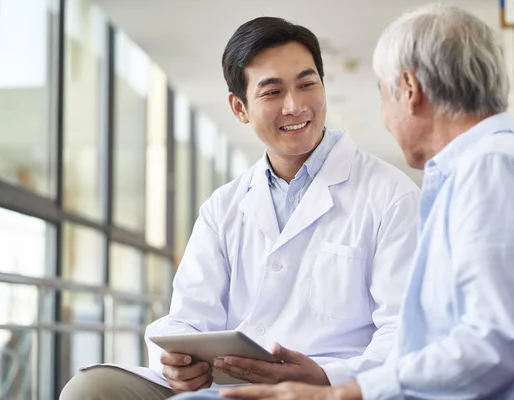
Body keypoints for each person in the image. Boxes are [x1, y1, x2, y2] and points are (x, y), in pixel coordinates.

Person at [192, 4, 514, 400]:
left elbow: (491, 348)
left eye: (383, 93)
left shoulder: (493, 170)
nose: (385, 116)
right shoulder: (483, 170)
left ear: (410, 90)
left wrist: (344, 392)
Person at [59, 16, 420, 400]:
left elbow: (406, 330)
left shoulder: (391, 195)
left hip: (331, 388)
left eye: (307, 84)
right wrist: (179, 363)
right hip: (227, 386)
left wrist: (327, 377)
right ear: (240, 108)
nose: (295, 105)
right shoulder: (223, 206)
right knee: (91, 389)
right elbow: (189, 316)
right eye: (272, 92)